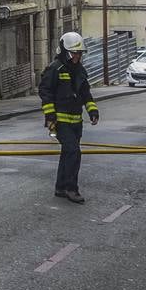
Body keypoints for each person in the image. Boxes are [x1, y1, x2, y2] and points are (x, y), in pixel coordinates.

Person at [38, 31, 99, 204]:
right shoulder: (55, 69)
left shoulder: (80, 71)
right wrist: (50, 116)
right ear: (65, 52)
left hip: (76, 121)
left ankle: (60, 187)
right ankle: (72, 189)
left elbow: (85, 94)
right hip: (61, 121)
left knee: (67, 153)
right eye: (75, 53)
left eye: (79, 54)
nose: (77, 57)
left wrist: (93, 111)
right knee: (73, 152)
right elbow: (45, 92)